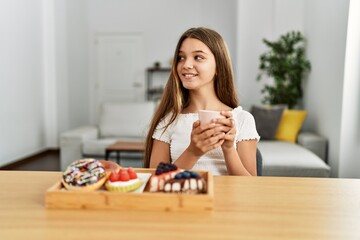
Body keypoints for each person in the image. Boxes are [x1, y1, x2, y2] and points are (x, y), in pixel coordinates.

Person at [144, 27, 260, 176]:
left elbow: (251, 188)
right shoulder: (168, 121)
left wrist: (229, 149)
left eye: (198, 57)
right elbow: (156, 182)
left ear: (219, 65)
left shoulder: (242, 119)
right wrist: (193, 152)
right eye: (181, 57)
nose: (186, 65)